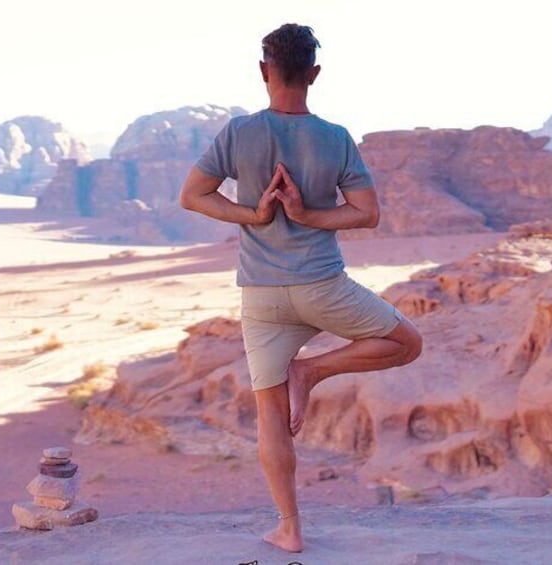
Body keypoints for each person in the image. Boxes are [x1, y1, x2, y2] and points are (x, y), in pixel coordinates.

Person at [179, 23, 422, 553]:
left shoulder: (239, 133)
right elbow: (367, 215)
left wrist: (254, 213)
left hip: (261, 294)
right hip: (322, 286)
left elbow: (193, 196)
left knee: (271, 416)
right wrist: (306, 213)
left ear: (264, 72)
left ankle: (289, 527)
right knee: (407, 342)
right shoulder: (334, 137)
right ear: (314, 73)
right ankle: (311, 371)